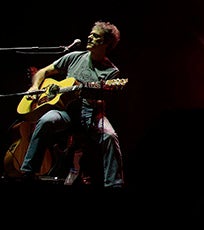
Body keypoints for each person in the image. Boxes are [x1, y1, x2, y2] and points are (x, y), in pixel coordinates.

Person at [17, 20, 126, 188]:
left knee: (110, 137)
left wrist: (91, 96)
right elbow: (44, 72)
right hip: (65, 112)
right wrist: (34, 86)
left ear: (105, 43)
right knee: (46, 120)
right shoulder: (74, 57)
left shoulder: (111, 72)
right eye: (91, 33)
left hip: (90, 114)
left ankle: (114, 184)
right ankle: (27, 173)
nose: (89, 37)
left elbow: (102, 104)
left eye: (95, 36)